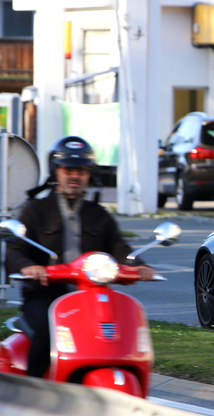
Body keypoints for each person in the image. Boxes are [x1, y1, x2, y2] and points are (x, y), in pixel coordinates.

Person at [4, 136, 155, 378]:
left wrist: (139, 265)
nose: (75, 175)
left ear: (89, 174)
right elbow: (15, 249)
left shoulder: (99, 215)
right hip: (46, 297)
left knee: (122, 332)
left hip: (91, 299)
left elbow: (120, 248)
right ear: (56, 172)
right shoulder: (36, 210)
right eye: (68, 169)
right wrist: (29, 267)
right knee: (46, 329)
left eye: (82, 170)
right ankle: (36, 392)